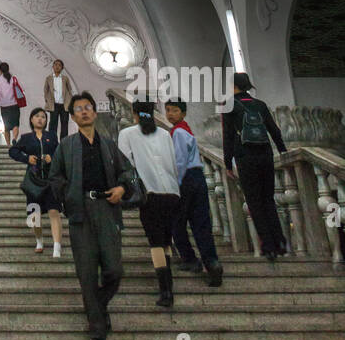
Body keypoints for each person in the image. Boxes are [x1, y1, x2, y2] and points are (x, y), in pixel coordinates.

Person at [48, 92, 133, 340]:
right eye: (79, 109)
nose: (84, 112)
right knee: (86, 273)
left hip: (107, 209)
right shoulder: (66, 145)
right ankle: (97, 327)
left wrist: (121, 188)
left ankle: (99, 305)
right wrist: (69, 197)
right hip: (80, 211)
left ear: (95, 113)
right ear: (73, 117)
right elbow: (55, 178)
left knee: (114, 270)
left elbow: (127, 172)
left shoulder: (108, 144)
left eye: (88, 107)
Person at [118, 101, 181, 309]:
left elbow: (125, 164)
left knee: (155, 242)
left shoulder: (127, 134)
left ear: (134, 114)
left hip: (150, 193)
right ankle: (168, 282)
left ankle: (166, 289)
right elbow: (174, 163)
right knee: (165, 239)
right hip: (172, 192)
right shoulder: (164, 134)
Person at [222, 72, 288, 260]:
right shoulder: (260, 105)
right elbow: (274, 131)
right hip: (265, 155)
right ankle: (281, 241)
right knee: (268, 199)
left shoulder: (229, 106)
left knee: (254, 202)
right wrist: (283, 151)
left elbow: (227, 137)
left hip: (245, 157)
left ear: (233, 85)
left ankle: (268, 245)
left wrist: (228, 163)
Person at [165, 99, 223, 286]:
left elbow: (180, 161)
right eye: (167, 110)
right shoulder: (186, 130)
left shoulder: (178, 133)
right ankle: (211, 262)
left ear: (183, 113)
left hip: (186, 180)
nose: (170, 114)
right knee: (201, 223)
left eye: (174, 110)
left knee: (177, 221)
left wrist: (176, 185)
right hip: (197, 178)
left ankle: (190, 259)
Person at [10, 106, 62, 257]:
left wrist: (52, 157)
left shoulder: (52, 136)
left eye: (43, 117)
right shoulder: (26, 138)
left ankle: (57, 247)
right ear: (32, 119)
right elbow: (13, 151)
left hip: (50, 179)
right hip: (33, 180)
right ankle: (39, 239)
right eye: (37, 116)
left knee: (54, 210)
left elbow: (59, 151)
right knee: (34, 214)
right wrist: (27, 158)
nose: (40, 119)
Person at [0, 61, 26, 146]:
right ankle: (14, 139)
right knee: (15, 124)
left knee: (6, 126)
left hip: (4, 106)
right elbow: (20, 90)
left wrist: (0, 102)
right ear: (8, 69)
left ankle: (8, 144)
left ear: (0, 70)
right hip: (14, 104)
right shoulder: (13, 79)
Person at [43, 59, 74, 145]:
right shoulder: (49, 78)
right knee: (53, 124)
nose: (57, 66)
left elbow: (69, 90)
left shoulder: (65, 78)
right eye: (55, 64)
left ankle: (64, 143)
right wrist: (47, 100)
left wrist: (69, 101)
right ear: (53, 67)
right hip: (54, 104)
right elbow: (46, 90)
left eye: (59, 65)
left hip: (64, 104)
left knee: (64, 123)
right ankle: (52, 142)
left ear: (62, 68)